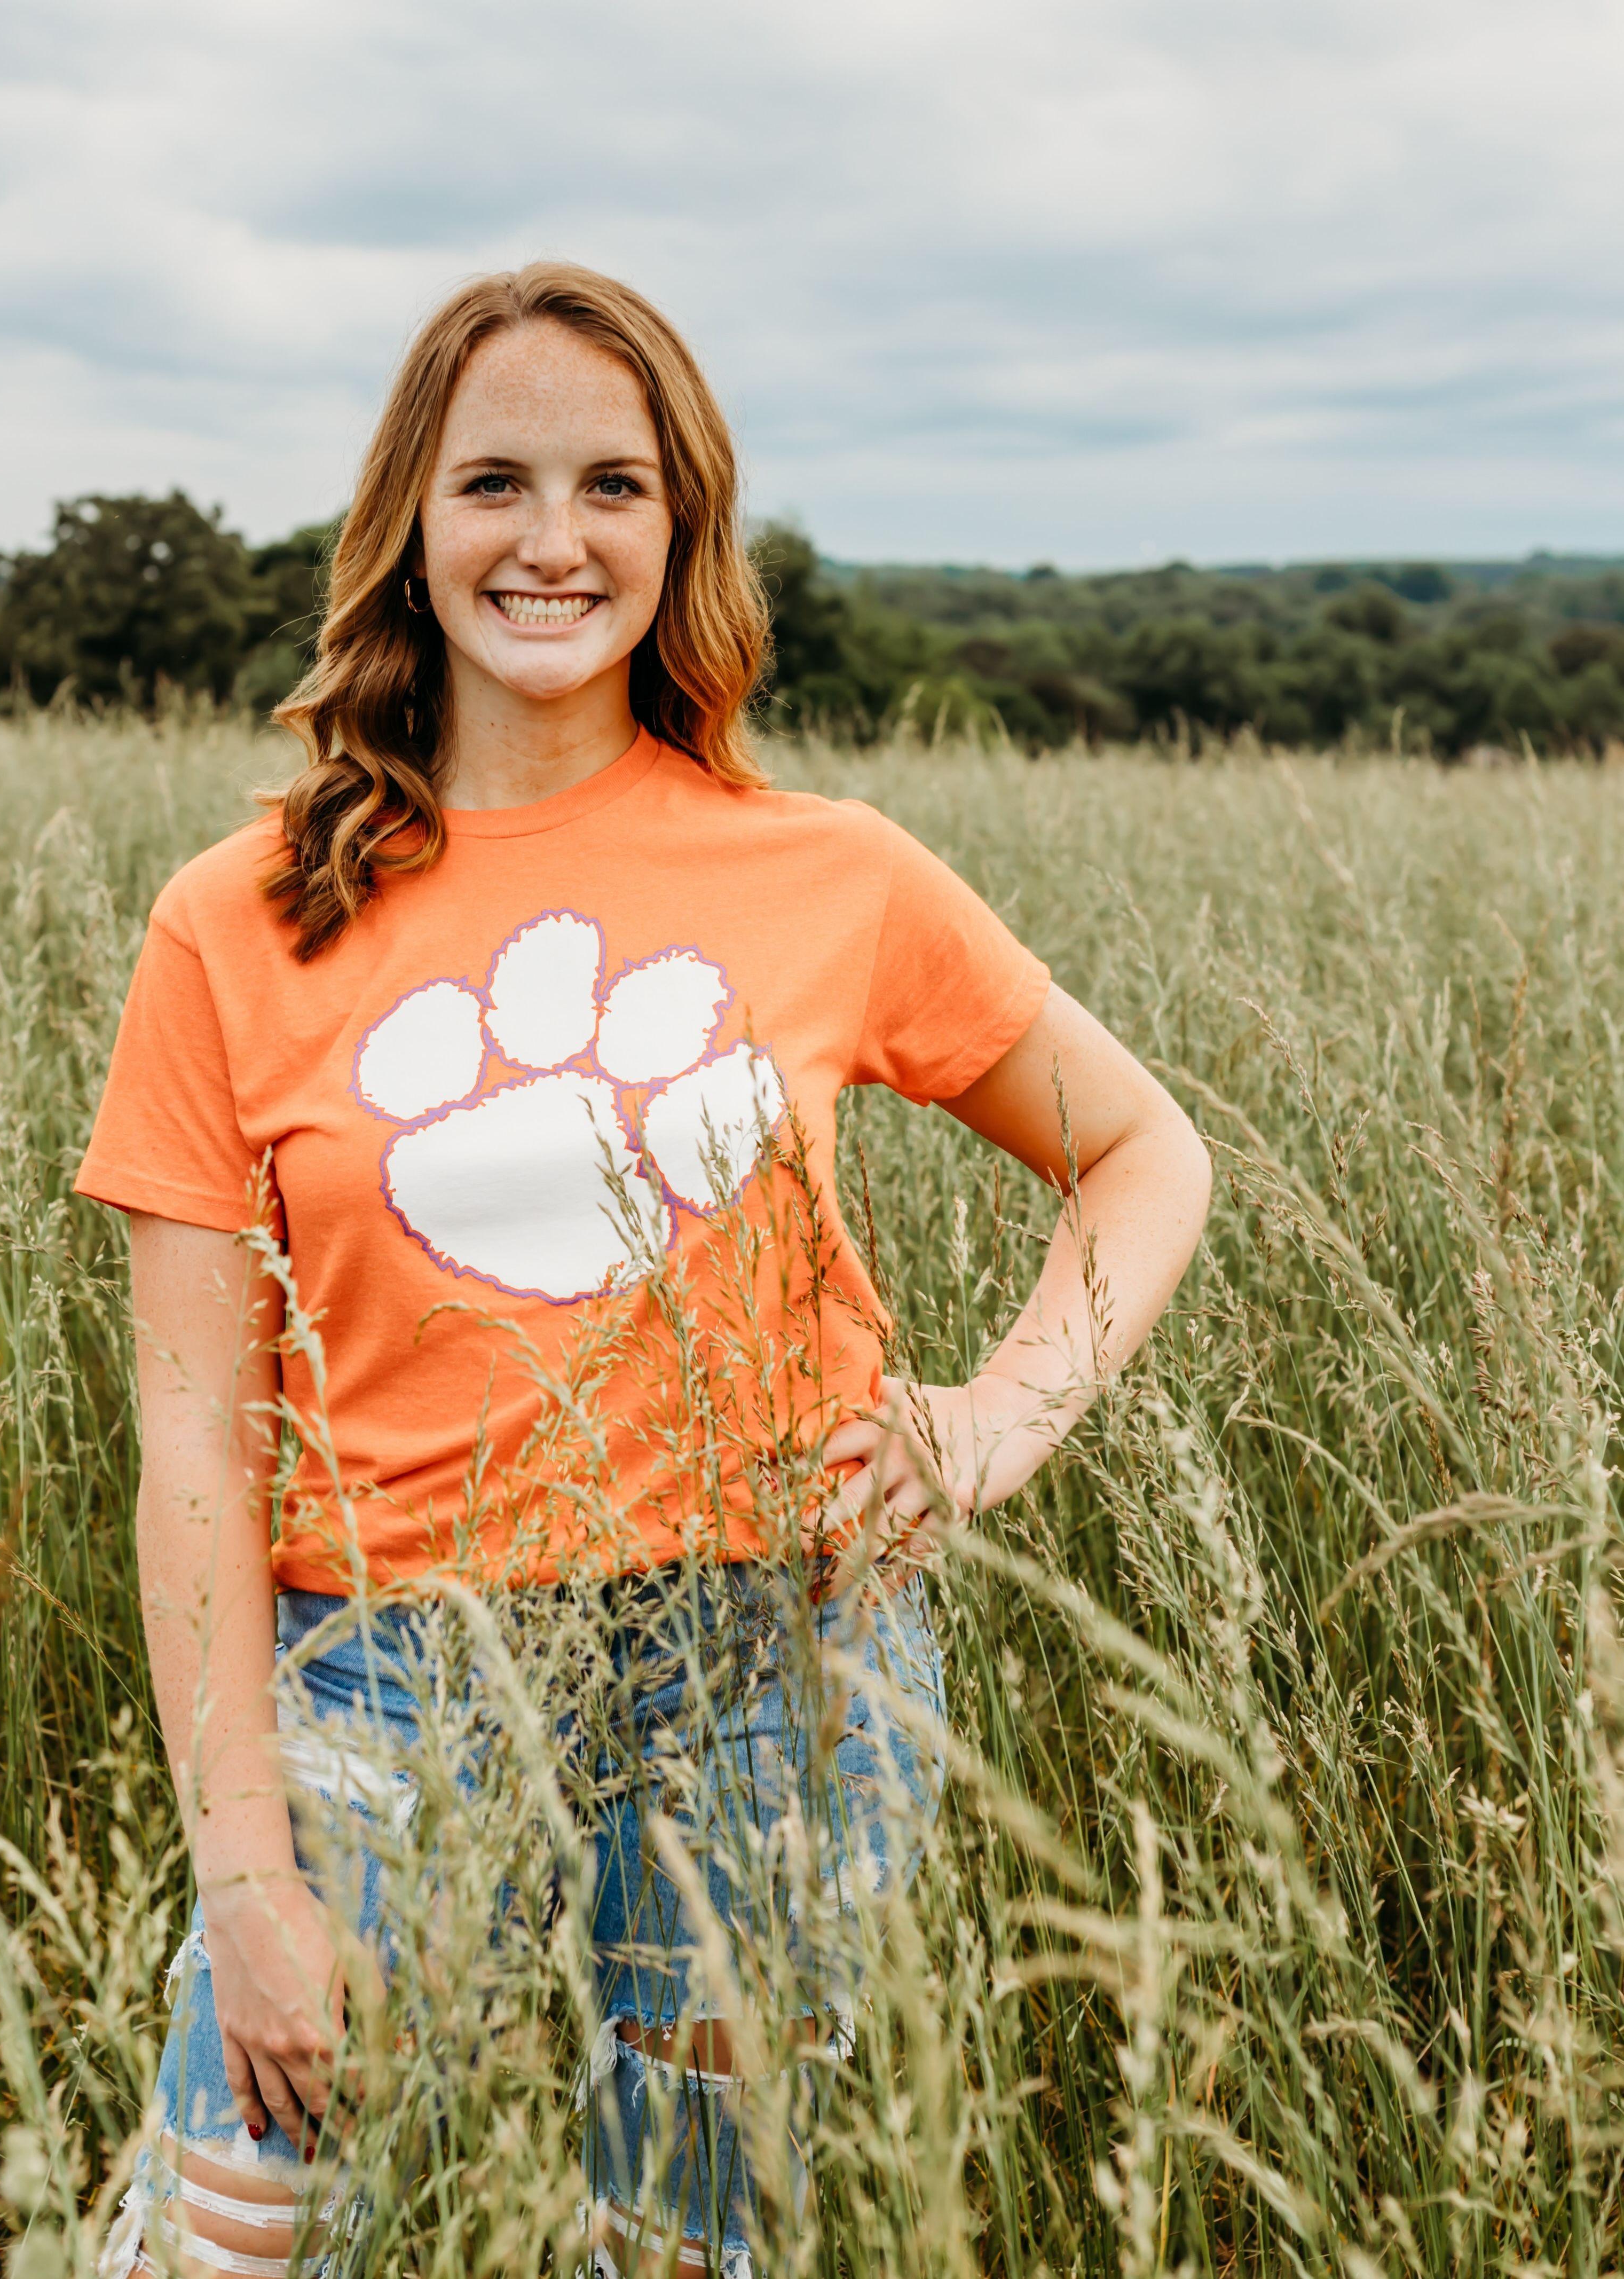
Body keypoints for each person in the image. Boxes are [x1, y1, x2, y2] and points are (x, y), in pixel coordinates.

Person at [82, 262, 1211, 2278]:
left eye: (612, 485)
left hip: (771, 1653)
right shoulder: (235, 919)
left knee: (689, 2243)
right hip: (383, 1652)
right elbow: (193, 1443)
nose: (552, 539)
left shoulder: (830, 873)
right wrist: (244, 1869)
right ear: (407, 526)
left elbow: (1143, 1152)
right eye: (492, 483)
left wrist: (992, 1421)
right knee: (229, 2236)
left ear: (682, 528)